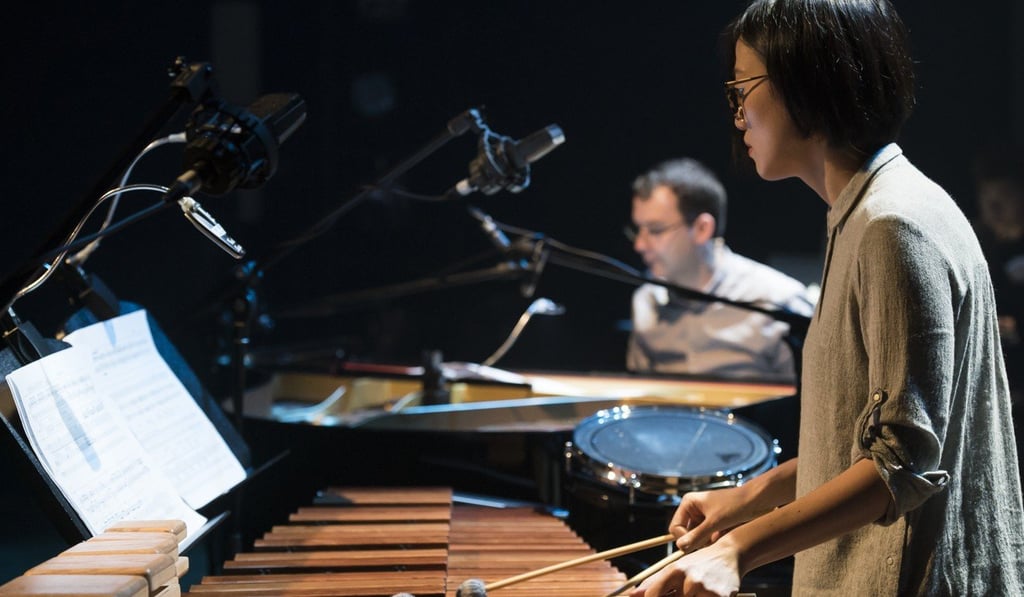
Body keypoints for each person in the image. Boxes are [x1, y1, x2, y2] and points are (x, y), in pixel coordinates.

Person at [631, 1, 1024, 595]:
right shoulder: (863, 214)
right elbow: (857, 441)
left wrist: (739, 548)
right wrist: (748, 498)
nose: (736, 112)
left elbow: (901, 462)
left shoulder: (894, 224)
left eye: (743, 88)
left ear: (807, 82)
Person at [626, 157, 814, 382]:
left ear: (702, 229)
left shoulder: (778, 299)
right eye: (638, 230)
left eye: (655, 230)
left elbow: (813, 394)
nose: (639, 245)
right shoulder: (646, 301)